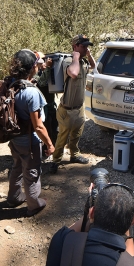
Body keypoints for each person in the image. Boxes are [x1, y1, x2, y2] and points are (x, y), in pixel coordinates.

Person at [44, 183, 134, 266]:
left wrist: (91, 209)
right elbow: (130, 261)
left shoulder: (62, 240)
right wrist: (126, 219)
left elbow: (69, 234)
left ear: (92, 212)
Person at [5, 49, 55, 216]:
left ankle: (13, 198)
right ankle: (34, 204)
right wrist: (49, 144)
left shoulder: (11, 83)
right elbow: (38, 126)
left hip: (14, 138)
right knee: (32, 172)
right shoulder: (31, 92)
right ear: (33, 66)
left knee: (17, 166)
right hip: (29, 140)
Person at [48, 34, 96, 174]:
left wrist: (89, 55)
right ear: (75, 46)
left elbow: (93, 66)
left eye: (87, 46)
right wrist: (75, 57)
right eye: (83, 46)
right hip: (66, 110)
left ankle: (74, 155)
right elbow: (74, 74)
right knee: (62, 138)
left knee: (76, 135)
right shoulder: (69, 62)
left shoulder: (83, 62)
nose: (85, 48)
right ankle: (56, 160)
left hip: (79, 108)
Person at [33, 52, 58, 158]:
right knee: (45, 129)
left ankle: (54, 149)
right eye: (42, 60)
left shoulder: (47, 72)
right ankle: (45, 151)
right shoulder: (34, 75)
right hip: (43, 108)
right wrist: (47, 68)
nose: (44, 62)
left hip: (51, 105)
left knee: (54, 128)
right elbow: (41, 83)